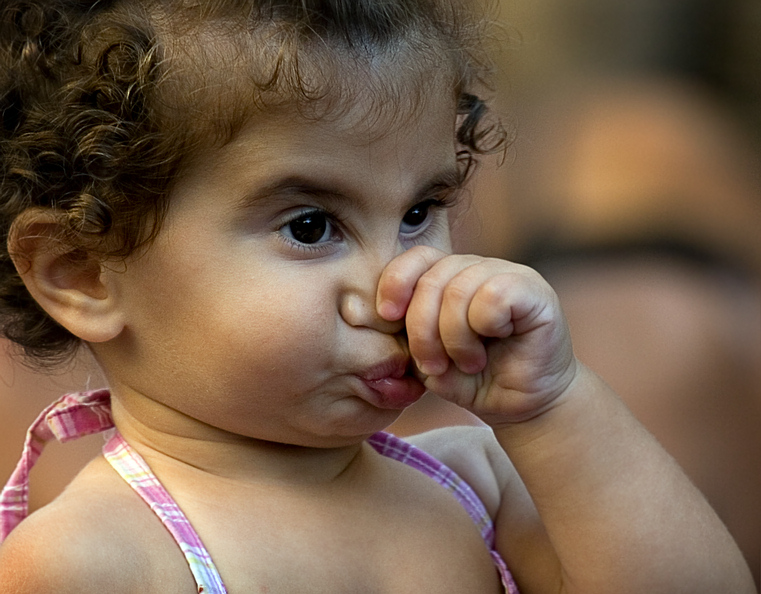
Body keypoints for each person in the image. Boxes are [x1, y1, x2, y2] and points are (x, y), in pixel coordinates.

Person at [0, 1, 754, 592]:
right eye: (310, 225)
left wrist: (553, 407)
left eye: (419, 213)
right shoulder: (92, 557)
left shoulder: (472, 481)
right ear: (83, 273)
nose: (399, 283)